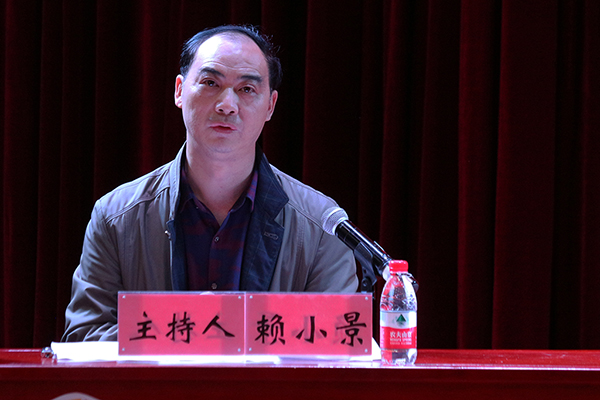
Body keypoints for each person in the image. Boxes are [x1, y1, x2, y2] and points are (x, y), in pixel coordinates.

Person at [62, 25, 358, 341]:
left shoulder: (323, 225)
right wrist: (191, 331)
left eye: (247, 89)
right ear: (179, 91)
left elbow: (338, 344)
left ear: (270, 106)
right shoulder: (115, 216)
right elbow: (84, 337)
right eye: (210, 83)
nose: (227, 104)